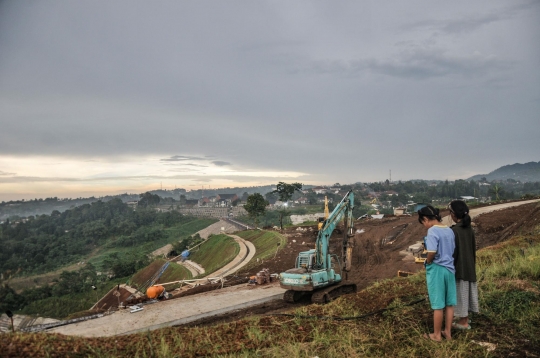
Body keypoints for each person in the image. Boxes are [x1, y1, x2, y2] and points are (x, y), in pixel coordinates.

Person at [418, 205, 457, 341]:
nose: (424, 226)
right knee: (449, 303)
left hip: (438, 270)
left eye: (423, 223)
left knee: (438, 304)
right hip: (450, 269)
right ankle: (447, 332)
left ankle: (436, 335)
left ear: (425, 219)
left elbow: (432, 251)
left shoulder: (432, 231)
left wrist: (428, 262)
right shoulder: (449, 230)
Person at [449, 200, 479, 330]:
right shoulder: (469, 229)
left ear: (454, 214)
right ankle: (464, 318)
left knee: (460, 293)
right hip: (469, 267)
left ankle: (463, 322)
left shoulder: (454, 231)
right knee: (466, 292)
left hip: (459, 268)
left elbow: (453, 253)